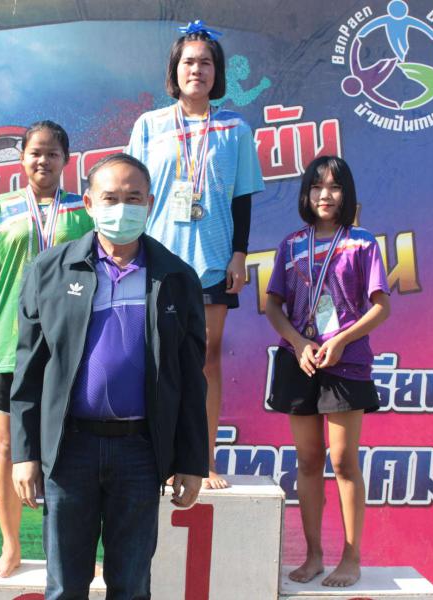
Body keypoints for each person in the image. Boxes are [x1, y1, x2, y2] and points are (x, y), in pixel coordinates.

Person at [10, 153, 208, 599]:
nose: (122, 208)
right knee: (65, 587)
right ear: (88, 204)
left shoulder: (177, 278)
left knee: (131, 587)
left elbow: (191, 380)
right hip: (69, 451)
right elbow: (29, 370)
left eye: (134, 198)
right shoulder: (50, 271)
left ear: (150, 204)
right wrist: (25, 453)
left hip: (140, 453)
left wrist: (192, 461)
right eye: (111, 198)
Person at [127, 19, 265, 489]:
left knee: (206, 360)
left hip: (211, 261)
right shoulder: (149, 126)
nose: (197, 70)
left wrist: (239, 254)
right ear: (175, 70)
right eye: (189, 62)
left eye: (206, 63)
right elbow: (131, 193)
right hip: (157, 261)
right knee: (153, 358)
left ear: (217, 72)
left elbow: (242, 198)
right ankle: (154, 457)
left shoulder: (235, 129)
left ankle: (202, 460)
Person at [0, 121, 94, 578]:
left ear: (66, 160)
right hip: (9, 346)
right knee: (7, 448)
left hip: (70, 346)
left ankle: (80, 553)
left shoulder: (83, 211)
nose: (44, 160)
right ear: (21, 158)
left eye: (53, 153)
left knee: (73, 449)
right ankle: (11, 547)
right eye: (36, 152)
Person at [263, 156, 390, 587]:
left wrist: (341, 341)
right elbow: (273, 306)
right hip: (299, 360)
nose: (325, 195)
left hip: (345, 362)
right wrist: (298, 342)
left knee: (343, 461)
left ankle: (351, 558)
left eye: (334, 187)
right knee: (308, 460)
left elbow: (381, 307)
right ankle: (314, 555)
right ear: (306, 193)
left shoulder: (362, 243)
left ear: (346, 194)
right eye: (317, 187)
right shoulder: (291, 244)